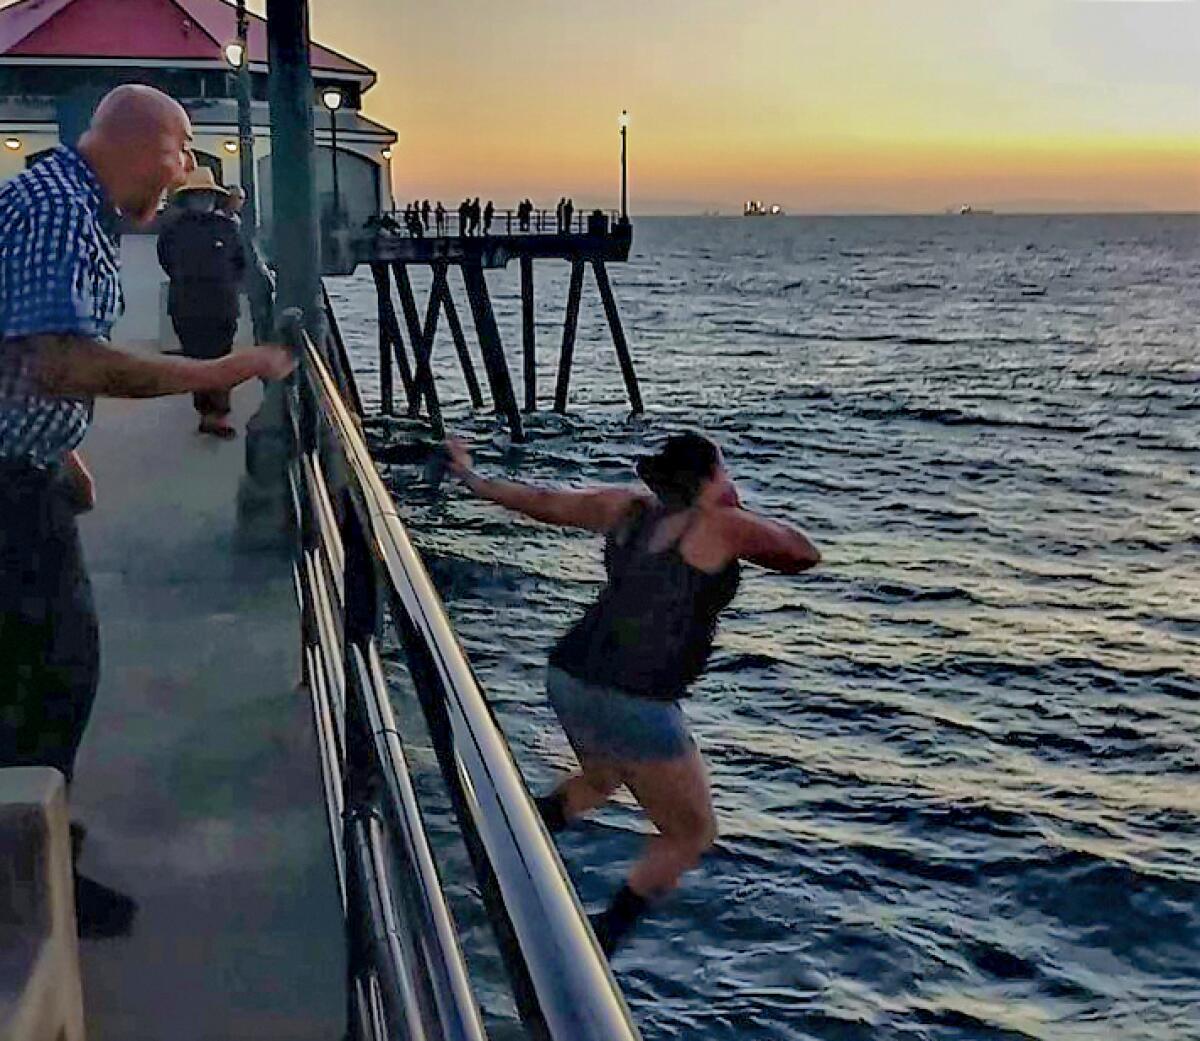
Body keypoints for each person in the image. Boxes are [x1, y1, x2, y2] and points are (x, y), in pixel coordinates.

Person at [0, 84, 294, 938]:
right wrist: (216, 373)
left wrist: (59, 447)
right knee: (52, 670)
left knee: (36, 665)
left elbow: (20, 355)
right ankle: (27, 869)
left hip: (25, 466)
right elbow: (59, 361)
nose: (183, 173)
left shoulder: (59, 202)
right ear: (135, 142)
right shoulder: (58, 212)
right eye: (179, 152)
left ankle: (35, 831)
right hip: (7, 488)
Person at [445, 433, 821, 955]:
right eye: (723, 472)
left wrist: (472, 479)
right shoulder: (719, 524)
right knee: (691, 832)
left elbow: (544, 503)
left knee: (601, 780)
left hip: (570, 677)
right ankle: (601, 946)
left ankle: (490, 850)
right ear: (710, 479)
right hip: (636, 700)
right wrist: (734, 507)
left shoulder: (625, 508)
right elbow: (802, 552)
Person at [157, 167, 247, 439]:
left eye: (206, 195)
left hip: (221, 304)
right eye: (197, 195)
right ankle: (207, 413)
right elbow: (166, 259)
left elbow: (240, 262)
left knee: (221, 357)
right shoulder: (173, 229)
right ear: (188, 199)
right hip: (188, 304)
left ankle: (217, 414)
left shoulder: (228, 228)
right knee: (196, 358)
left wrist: (227, 283)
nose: (202, 200)